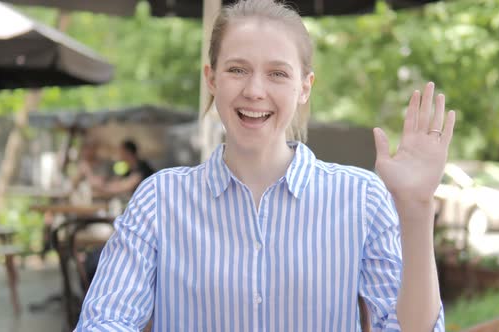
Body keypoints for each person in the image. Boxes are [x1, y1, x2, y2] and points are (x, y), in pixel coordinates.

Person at [75, 0, 455, 330]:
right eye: (237, 69)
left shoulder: (361, 198)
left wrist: (417, 209)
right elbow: (106, 320)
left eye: (278, 73)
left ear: (305, 86)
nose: (255, 90)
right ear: (211, 79)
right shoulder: (159, 200)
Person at [90, 139, 155, 198]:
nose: (119, 154)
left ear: (128, 153)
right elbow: (116, 182)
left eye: (121, 151)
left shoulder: (142, 167)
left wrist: (102, 187)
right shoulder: (126, 167)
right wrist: (104, 183)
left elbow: (124, 187)